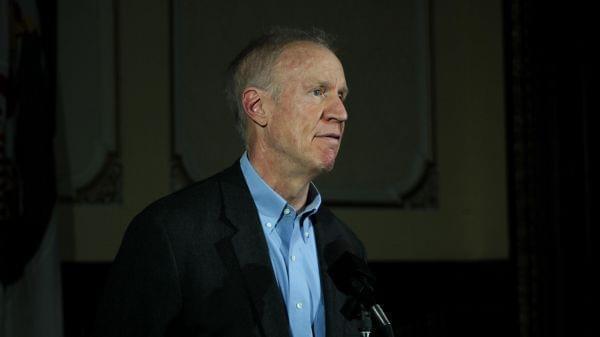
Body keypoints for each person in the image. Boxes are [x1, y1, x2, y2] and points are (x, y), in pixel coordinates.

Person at [93, 27, 367, 337]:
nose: (340, 113)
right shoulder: (172, 233)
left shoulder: (343, 245)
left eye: (341, 95)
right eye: (318, 91)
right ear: (257, 107)